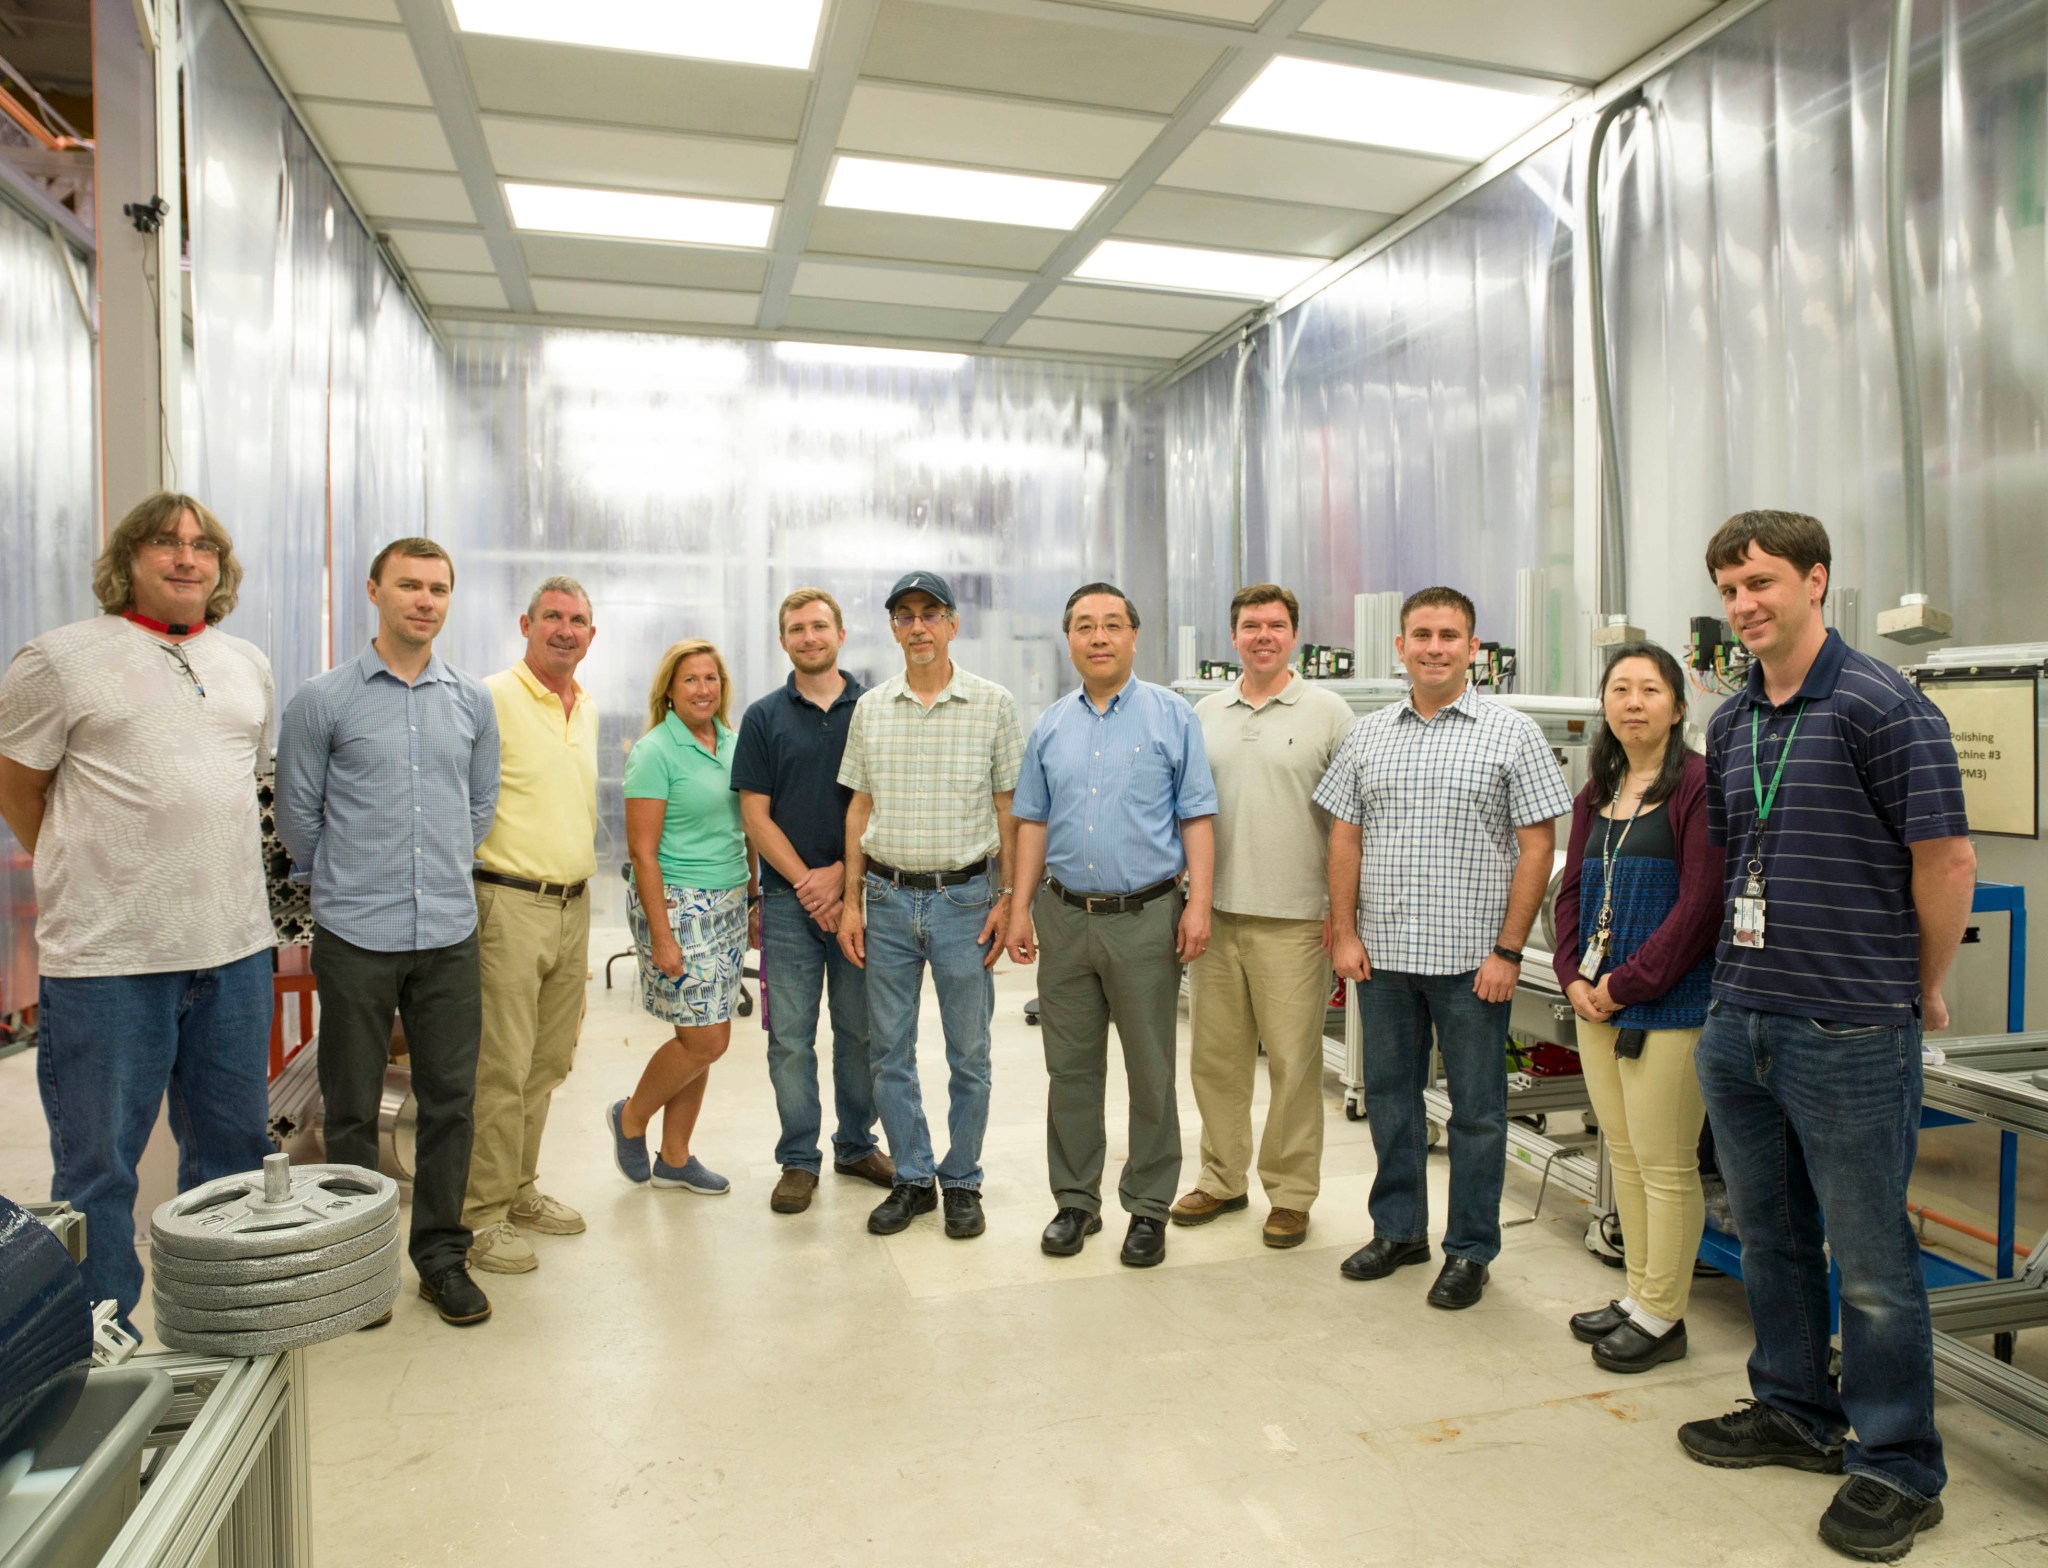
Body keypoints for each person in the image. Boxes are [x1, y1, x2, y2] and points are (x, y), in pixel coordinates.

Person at [1676, 511, 1974, 1563]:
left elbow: (1943, 864)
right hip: (1740, 1014)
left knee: (1873, 1260)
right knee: (1768, 1236)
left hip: (1846, 1025)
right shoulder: (1732, 721)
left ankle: (1896, 1461)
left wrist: (1918, 986)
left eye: (1757, 581)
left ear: (1815, 580)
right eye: (1725, 588)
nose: (1741, 604)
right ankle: (1795, 1408)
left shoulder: (1881, 704)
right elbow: (1732, 862)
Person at [0, 492, 277, 1332]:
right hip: (110, 962)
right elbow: (19, 784)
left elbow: (240, 786)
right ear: (129, 560)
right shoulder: (59, 659)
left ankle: (220, 1331)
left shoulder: (247, 663)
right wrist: (94, 868)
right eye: (165, 542)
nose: (187, 558)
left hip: (233, 954)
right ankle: (102, 1354)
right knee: (99, 1175)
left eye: (203, 546)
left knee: (231, 1161)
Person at [1315, 585, 1572, 1310]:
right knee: (1392, 1099)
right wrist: (1345, 930)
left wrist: (1509, 950)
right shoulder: (1369, 735)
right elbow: (1346, 837)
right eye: (1421, 634)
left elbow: (1536, 847)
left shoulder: (1511, 733)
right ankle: (1399, 1230)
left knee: (1477, 1112)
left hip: (1472, 964)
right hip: (1385, 957)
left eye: (1450, 635)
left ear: (1472, 649)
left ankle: (1469, 1250)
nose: (1434, 647)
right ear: (1399, 646)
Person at [276, 537, 500, 1329]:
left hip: (446, 932)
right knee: (347, 1108)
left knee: (449, 1103)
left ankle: (440, 1257)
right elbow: (298, 820)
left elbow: (478, 809)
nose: (425, 600)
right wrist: (353, 879)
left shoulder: (471, 702)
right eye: (409, 585)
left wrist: (432, 870)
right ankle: (356, 1265)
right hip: (356, 935)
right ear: (375, 591)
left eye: (438, 587)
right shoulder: (323, 701)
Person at [1005, 583, 1216, 1267]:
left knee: (1151, 1069)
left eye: (1113, 625)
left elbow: (1197, 817)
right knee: (1070, 1069)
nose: (1099, 637)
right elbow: (1031, 823)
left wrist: (1200, 902)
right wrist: (1018, 909)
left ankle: (1149, 1207)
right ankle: (1075, 1201)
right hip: (1063, 917)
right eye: (1086, 626)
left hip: (1146, 917)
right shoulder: (1050, 725)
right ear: (1069, 640)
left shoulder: (1172, 716)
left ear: (1133, 636)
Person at [1550, 642, 1723, 1372]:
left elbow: (1700, 907)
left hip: (1669, 1007)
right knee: (1622, 1156)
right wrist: (1572, 978)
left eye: (1649, 689)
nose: (1632, 702)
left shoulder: (1699, 788)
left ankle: (1663, 1314)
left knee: (1664, 1163)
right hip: (1597, 1005)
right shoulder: (1598, 792)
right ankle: (1638, 1294)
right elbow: (1572, 894)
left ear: (1678, 707)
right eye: (1619, 689)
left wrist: (1628, 984)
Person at [836, 571, 1023, 1241]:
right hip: (885, 899)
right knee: (889, 1052)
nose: (918, 626)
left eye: (931, 614)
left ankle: (963, 1180)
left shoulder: (993, 704)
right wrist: (854, 901)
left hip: (965, 900)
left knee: (968, 1052)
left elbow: (1010, 809)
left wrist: (1008, 898)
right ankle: (914, 1177)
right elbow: (858, 805)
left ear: (952, 625)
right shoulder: (872, 708)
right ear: (892, 628)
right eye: (905, 615)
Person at [1172, 583, 1353, 1250]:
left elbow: (1347, 823)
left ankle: (1291, 1194)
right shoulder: (1203, 713)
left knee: (1295, 1066)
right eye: (1251, 625)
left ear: (1294, 635)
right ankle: (1222, 1179)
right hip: (1213, 917)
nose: (1263, 636)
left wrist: (1341, 912)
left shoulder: (1329, 712)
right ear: (1234, 636)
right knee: (1215, 1060)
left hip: (1296, 919)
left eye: (1275, 625)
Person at [732, 588, 893, 1217]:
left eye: (819, 625)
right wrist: (808, 882)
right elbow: (754, 813)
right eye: (796, 628)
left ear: (841, 633)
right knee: (791, 1040)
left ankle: (857, 1145)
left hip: (862, 900)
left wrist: (843, 880)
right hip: (787, 904)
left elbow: (886, 798)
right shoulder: (764, 717)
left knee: (860, 1034)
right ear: (783, 641)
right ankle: (798, 1159)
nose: (809, 636)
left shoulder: (877, 709)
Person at [461, 578, 599, 1275]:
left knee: (548, 1063)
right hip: (509, 903)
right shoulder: (490, 698)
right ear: (525, 623)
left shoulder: (590, 709)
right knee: (502, 1066)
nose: (565, 630)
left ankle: (519, 1190)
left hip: (574, 907)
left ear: (591, 635)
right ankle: (479, 1216)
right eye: (552, 617)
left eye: (578, 620)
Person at [607, 639, 758, 1198]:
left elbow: (748, 828)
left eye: (711, 679)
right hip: (676, 904)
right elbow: (643, 853)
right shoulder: (654, 751)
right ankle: (630, 1116)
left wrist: (754, 895)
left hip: (728, 903)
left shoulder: (734, 744)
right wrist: (662, 935)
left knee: (703, 1030)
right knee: (706, 1040)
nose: (703, 689)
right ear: (669, 690)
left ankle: (674, 1157)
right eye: (691, 680)